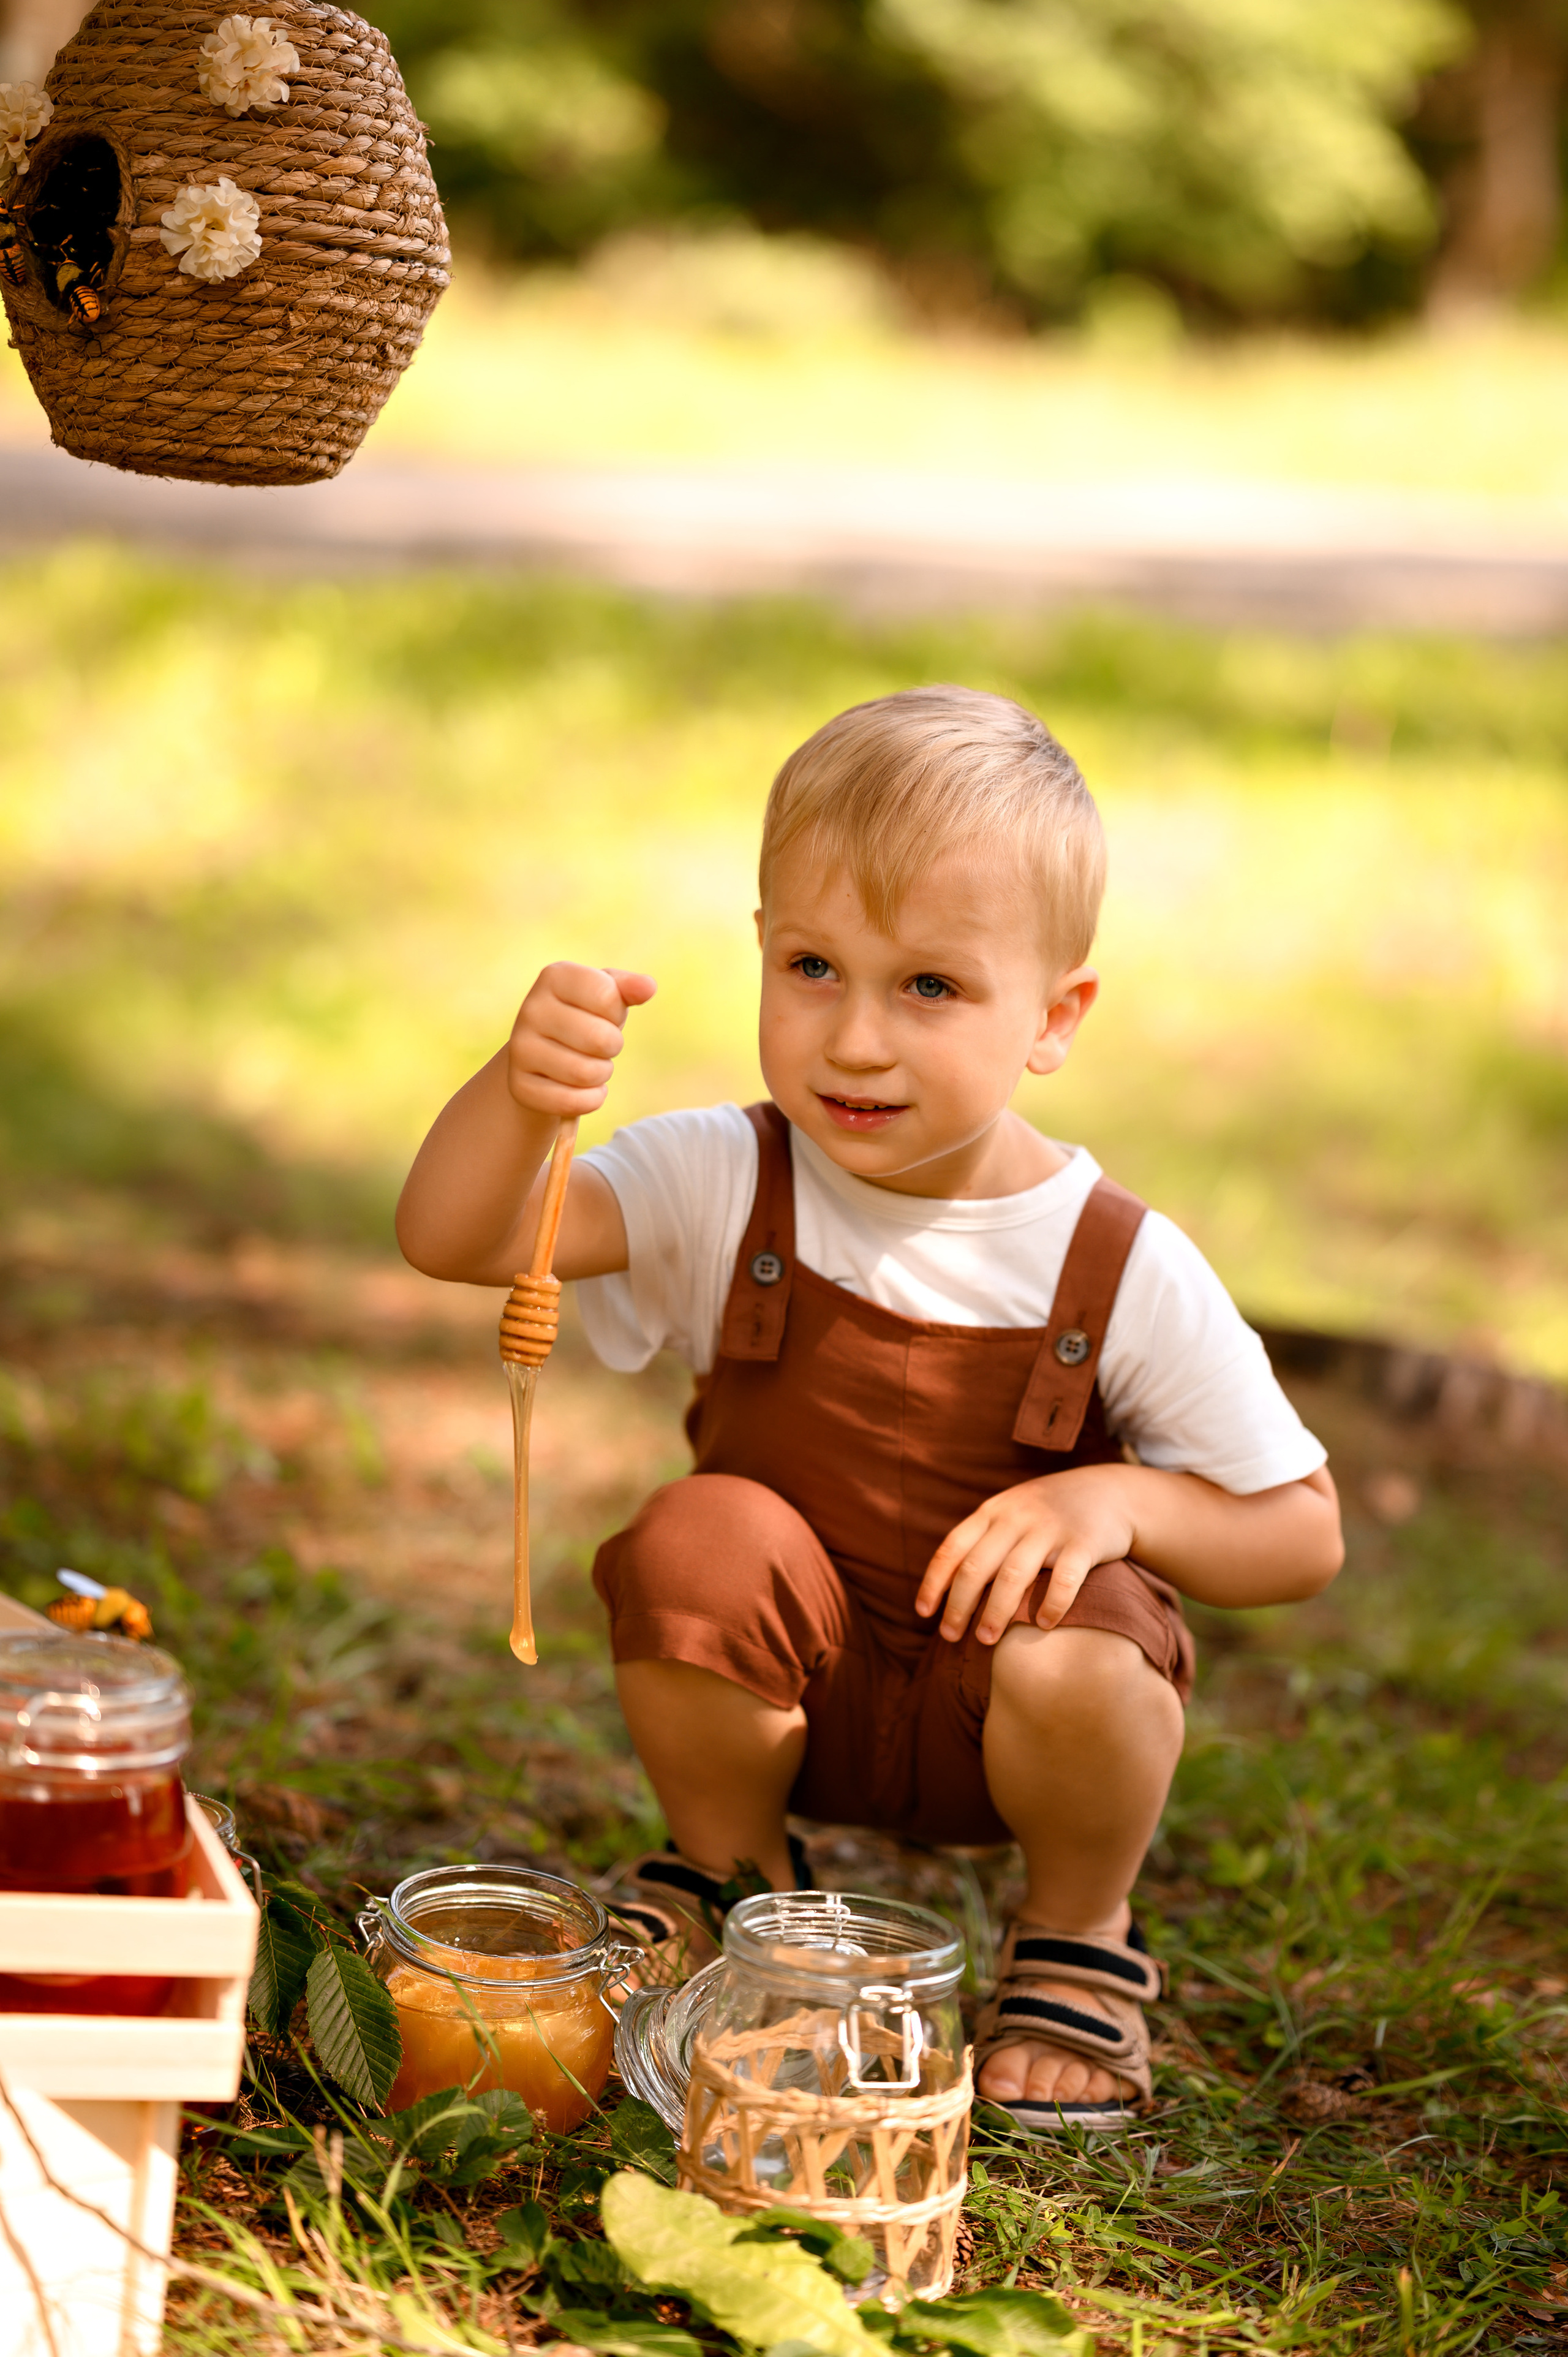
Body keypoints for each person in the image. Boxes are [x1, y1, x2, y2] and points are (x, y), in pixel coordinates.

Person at [396, 685, 1343, 2136]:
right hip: (804, 1685)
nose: (852, 1041)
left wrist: (1121, 1501)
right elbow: (462, 1239)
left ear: (1055, 1016)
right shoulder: (729, 1174)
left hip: (1006, 1708)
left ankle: (1078, 1933)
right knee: (689, 1542)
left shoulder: (1116, 1258)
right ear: (760, 948)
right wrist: (524, 1099)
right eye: (813, 965)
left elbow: (1300, 1537)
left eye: (928, 988)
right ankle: (733, 1876)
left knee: (1086, 1651)